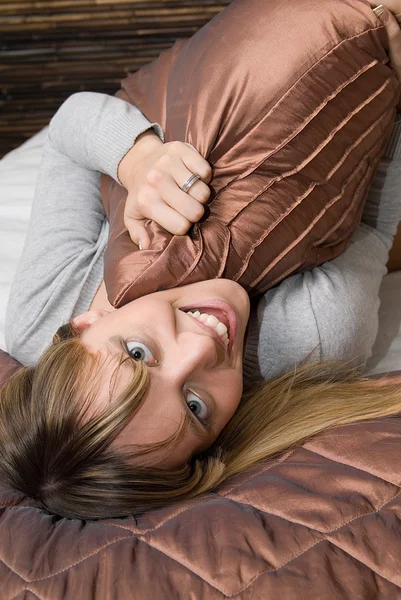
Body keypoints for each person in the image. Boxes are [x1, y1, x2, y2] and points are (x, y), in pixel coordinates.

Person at [1, 2, 401, 520]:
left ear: (84, 324)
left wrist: (138, 158)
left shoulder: (37, 319)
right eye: (195, 407)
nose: (202, 345)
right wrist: (389, 85)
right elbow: (371, 213)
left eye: (140, 354)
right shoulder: (315, 334)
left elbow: (68, 130)